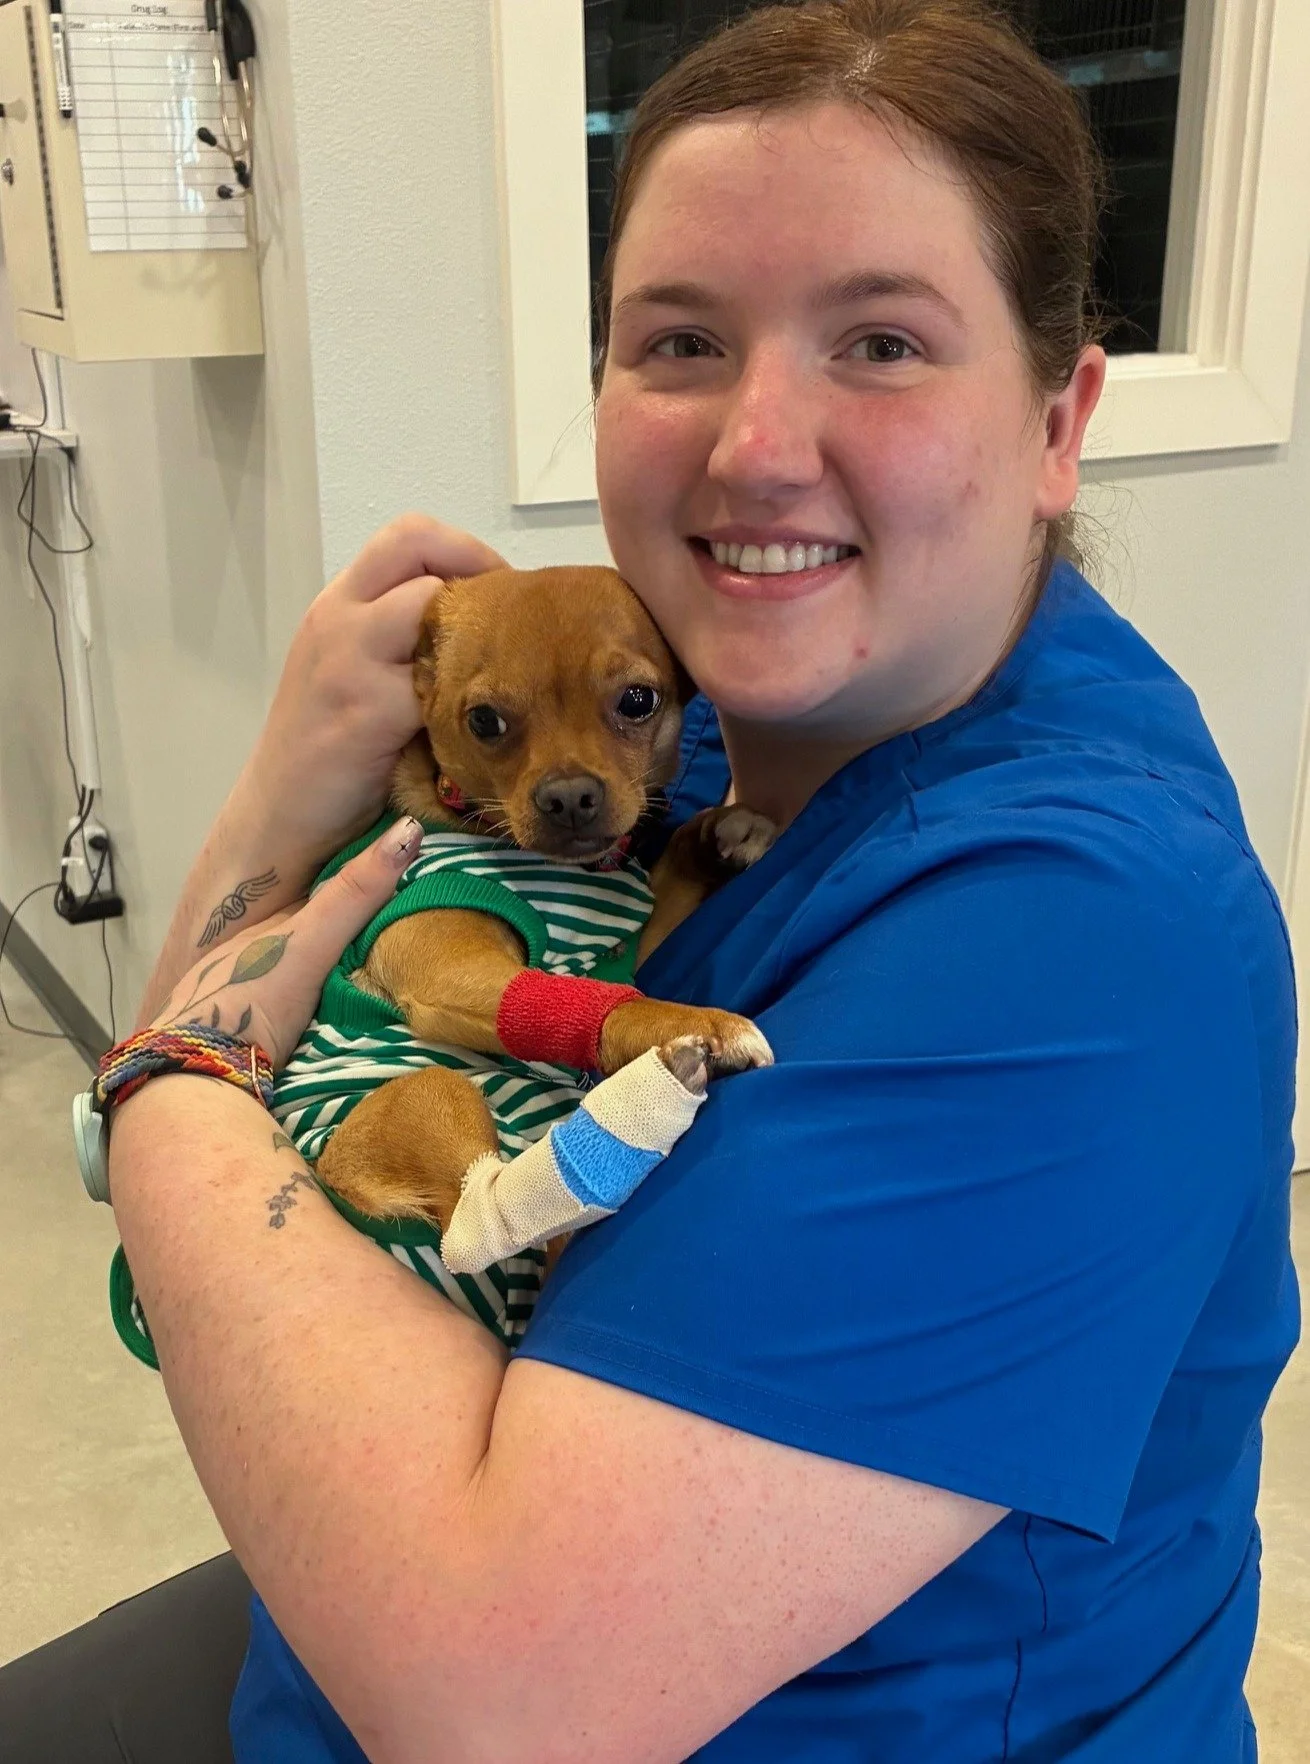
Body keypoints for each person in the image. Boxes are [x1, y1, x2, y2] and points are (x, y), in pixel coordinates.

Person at [0, 1, 1298, 1758]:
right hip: (350, 1615)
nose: (755, 444)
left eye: (884, 343)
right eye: (679, 340)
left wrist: (159, 1095)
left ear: (1060, 416)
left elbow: (495, 1699)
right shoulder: (677, 734)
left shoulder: (1076, 940)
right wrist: (276, 804)